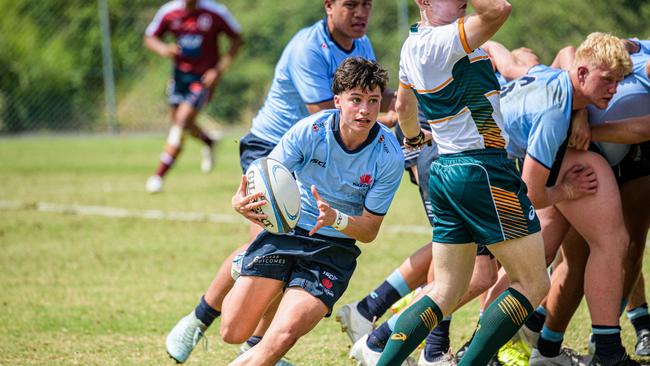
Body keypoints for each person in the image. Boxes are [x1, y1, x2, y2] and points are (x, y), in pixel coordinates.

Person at [165, 1, 394, 363]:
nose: (361, 12)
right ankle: (199, 319)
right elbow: (327, 115)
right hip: (274, 145)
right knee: (265, 236)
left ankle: (257, 346)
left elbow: (369, 105)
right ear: (329, 6)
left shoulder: (361, 46)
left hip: (316, 149)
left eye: (366, 3)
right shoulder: (309, 48)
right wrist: (388, 120)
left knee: (290, 241)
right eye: (351, 4)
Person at [374, 0, 552, 365]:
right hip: (484, 170)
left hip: (446, 171)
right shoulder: (443, 40)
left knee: (444, 290)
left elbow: (405, 108)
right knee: (533, 283)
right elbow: (500, 9)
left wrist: (413, 140)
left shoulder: (414, 43)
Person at [219, 56, 403, 366]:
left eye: (373, 101)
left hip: (333, 249)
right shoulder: (310, 130)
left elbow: (369, 230)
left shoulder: (388, 155)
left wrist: (336, 219)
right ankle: (254, 265)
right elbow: (265, 176)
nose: (365, 110)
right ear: (337, 101)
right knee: (232, 332)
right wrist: (242, 203)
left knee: (281, 336)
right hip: (286, 233)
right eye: (355, 99)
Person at [524, 38, 649, 366]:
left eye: (617, 82)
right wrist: (577, 111)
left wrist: (591, 127)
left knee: (622, 245)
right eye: (610, 81)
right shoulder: (617, 51)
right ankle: (528, 335)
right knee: (556, 254)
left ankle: (567, 347)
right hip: (573, 154)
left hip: (618, 158)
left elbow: (645, 127)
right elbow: (568, 55)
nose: (614, 86)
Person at [144, 0, 243, 193]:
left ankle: (158, 176)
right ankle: (209, 141)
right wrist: (163, 49)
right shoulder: (169, 12)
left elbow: (238, 39)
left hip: (203, 79)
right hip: (179, 78)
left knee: (180, 122)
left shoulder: (215, 13)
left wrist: (218, 70)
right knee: (182, 124)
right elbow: (149, 38)